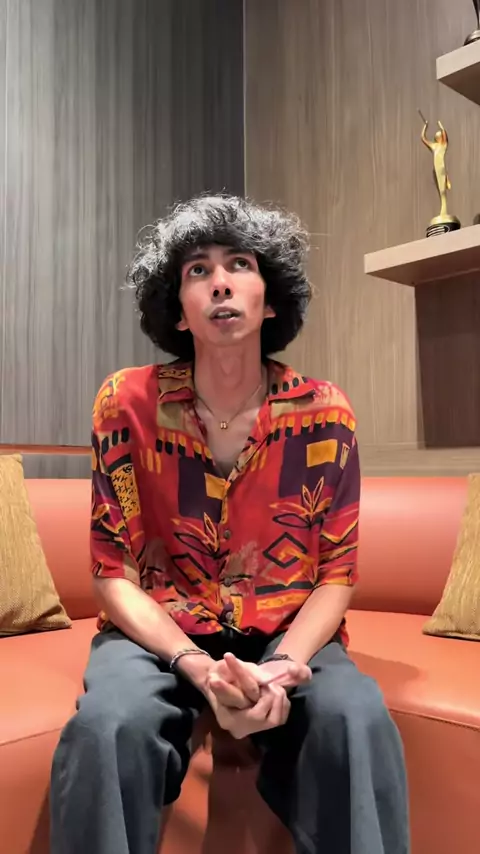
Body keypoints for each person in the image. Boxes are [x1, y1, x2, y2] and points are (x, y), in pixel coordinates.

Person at [50, 194, 409, 854]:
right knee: (108, 725)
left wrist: (283, 669)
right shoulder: (125, 404)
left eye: (240, 264)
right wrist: (191, 662)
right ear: (177, 310)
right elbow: (112, 573)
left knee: (356, 720)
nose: (220, 282)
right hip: (159, 632)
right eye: (198, 270)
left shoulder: (325, 413)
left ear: (270, 301)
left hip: (283, 628)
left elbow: (336, 576)